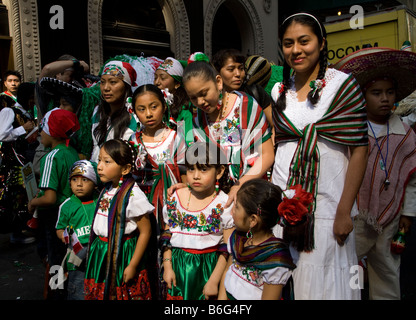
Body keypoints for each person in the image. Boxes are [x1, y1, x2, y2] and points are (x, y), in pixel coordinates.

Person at [270, 12, 368, 300]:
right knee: (286, 282)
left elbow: (360, 149)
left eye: (304, 41)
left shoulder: (343, 86)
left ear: (321, 43)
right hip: (284, 206)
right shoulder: (278, 90)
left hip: (328, 208)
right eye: (288, 44)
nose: (296, 50)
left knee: (327, 285)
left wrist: (343, 211)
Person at [334, 47, 416, 300]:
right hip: (357, 214)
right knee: (349, 267)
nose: (384, 99)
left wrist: (408, 213)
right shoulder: (353, 130)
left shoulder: (406, 134)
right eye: (376, 93)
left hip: (390, 218)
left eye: (390, 93)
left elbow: (412, 180)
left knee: (387, 271)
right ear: (362, 96)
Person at [182, 55, 275, 207]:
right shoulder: (197, 120)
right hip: (217, 198)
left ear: (218, 82)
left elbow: (267, 155)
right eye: (193, 98)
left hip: (251, 193)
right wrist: (188, 186)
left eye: (204, 93)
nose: (200, 102)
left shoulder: (246, 107)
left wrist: (240, 184)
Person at [161, 141, 234, 300]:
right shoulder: (176, 198)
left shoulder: (224, 204)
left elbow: (227, 248)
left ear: (219, 172)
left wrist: (214, 281)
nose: (195, 175)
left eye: (203, 169)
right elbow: (167, 234)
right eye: (190, 169)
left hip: (207, 270)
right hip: (177, 268)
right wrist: (167, 267)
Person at [84, 139, 154, 300]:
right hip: (101, 253)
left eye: (107, 162)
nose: (100, 166)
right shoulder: (107, 189)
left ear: (125, 169)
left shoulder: (134, 196)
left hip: (122, 254)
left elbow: (146, 231)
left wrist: (133, 265)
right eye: (99, 160)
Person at [28, 108, 80, 299]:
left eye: (43, 128)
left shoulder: (51, 156)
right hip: (72, 212)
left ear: (52, 131)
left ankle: (57, 294)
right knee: (69, 257)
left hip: (54, 216)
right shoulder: (71, 152)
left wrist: (33, 202)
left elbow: (49, 198)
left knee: (56, 260)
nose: (40, 132)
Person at [219, 179, 296, 300]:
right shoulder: (238, 239)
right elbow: (227, 272)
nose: (232, 212)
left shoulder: (275, 259)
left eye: (237, 207)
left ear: (253, 220)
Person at [55, 160, 100, 300]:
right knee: (78, 292)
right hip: (77, 259)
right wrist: (64, 236)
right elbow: (59, 227)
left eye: (85, 180)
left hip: (98, 255)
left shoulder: (100, 201)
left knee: (98, 290)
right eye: (74, 179)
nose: (79, 184)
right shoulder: (66, 206)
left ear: (95, 184)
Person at [0, 88, 36, 243]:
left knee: (22, 196)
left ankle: (19, 229)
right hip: (12, 163)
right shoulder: (9, 111)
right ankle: (15, 233)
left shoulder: (24, 111)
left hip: (22, 161)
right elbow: (2, 134)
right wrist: (23, 129)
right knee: (14, 196)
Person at [90, 60, 139, 164]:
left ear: (126, 86)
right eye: (102, 82)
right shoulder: (97, 112)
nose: (106, 88)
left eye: (113, 82)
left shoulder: (136, 116)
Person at [154, 56, 192, 128]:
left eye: (162, 78)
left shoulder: (184, 111)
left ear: (177, 84)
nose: (156, 82)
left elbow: (187, 137)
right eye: (155, 78)